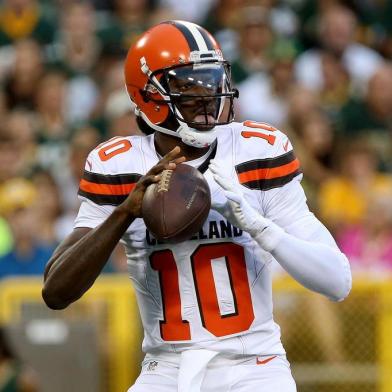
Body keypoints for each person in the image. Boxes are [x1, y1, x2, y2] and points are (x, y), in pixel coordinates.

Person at [42, 20, 352, 392]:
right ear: (148, 97)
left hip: (255, 365)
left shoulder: (257, 150)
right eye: (189, 89)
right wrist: (125, 212)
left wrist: (259, 227)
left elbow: (337, 281)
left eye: (212, 82)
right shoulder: (118, 165)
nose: (208, 98)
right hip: (166, 366)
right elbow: (55, 291)